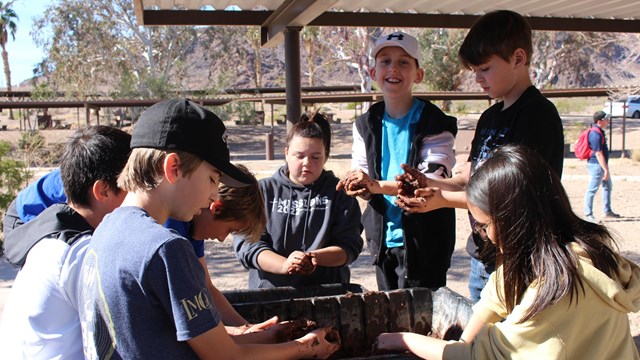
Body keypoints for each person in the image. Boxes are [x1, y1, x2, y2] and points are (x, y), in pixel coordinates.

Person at [77, 98, 339, 359]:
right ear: (173, 168)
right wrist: (306, 346)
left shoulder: (104, 230)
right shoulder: (166, 249)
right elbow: (227, 357)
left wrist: (261, 335)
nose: (214, 195)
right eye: (213, 178)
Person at [374, 145, 640, 359]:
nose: (486, 235)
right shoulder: (578, 251)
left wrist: (402, 338)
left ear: (516, 221)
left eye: (486, 225)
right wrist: (465, 338)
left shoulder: (556, 294)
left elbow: (479, 356)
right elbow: (495, 297)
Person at [395, 10, 564, 302]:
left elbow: (510, 198)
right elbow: (471, 179)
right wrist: (431, 182)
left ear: (518, 58)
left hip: (520, 259)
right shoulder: (489, 117)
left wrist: (441, 201)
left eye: (484, 68)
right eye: (475, 70)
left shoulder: (537, 116)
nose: (478, 79)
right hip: (483, 256)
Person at [337, 31, 458, 290]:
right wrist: (358, 185)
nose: (394, 68)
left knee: (424, 320)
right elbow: (362, 176)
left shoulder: (436, 123)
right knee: (391, 316)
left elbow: (429, 185)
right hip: (383, 239)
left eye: (404, 62)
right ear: (373, 73)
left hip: (426, 241)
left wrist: (373, 185)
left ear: (419, 74)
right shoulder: (365, 124)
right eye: (385, 61)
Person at [0, 125, 132, 359]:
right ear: (102, 190)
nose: (139, 197)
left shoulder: (49, 243)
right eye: (132, 187)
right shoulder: (81, 254)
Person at [234, 112, 363, 289]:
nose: (307, 163)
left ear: (326, 155)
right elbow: (248, 244)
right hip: (269, 293)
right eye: (299, 156)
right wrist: (284, 265)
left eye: (315, 157)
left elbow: (349, 246)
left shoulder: (339, 193)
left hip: (327, 293)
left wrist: (312, 258)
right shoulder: (262, 191)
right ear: (286, 153)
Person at [584, 110, 621, 222]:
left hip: (601, 165)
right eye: (606, 119)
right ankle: (588, 214)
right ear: (599, 121)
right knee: (592, 189)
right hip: (596, 165)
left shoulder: (599, 131)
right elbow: (598, 153)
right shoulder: (595, 134)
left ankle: (607, 211)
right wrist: (606, 170)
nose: (608, 121)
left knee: (607, 187)